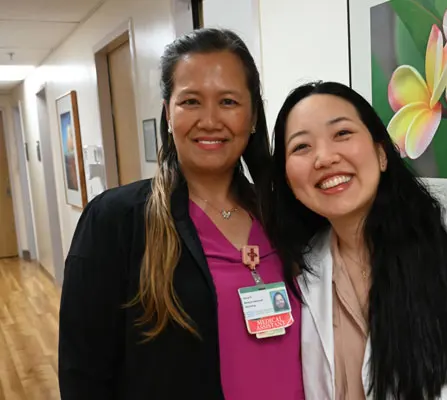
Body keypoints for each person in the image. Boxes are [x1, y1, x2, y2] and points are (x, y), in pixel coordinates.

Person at [264, 81, 447, 400]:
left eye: (342, 134)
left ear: (382, 153)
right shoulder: (302, 267)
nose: (324, 157)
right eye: (301, 147)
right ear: (287, 179)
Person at [58, 28, 304, 400]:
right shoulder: (116, 220)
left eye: (228, 102)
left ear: (253, 116)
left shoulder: (283, 216)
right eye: (190, 101)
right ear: (167, 114)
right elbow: (83, 373)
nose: (209, 120)